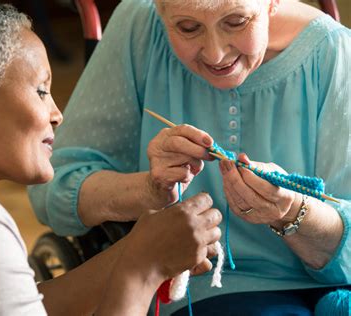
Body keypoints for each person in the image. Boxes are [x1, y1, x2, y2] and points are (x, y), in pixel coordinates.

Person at [0, 1, 224, 315]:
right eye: (41, 90)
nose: (56, 113)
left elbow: (12, 301)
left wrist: (141, 249)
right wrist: (142, 269)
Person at [28, 0, 351, 314]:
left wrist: (293, 212)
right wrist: (148, 190)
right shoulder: (140, 25)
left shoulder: (334, 51)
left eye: (236, 22)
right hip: (210, 292)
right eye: (188, 27)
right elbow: (53, 189)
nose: (216, 53)